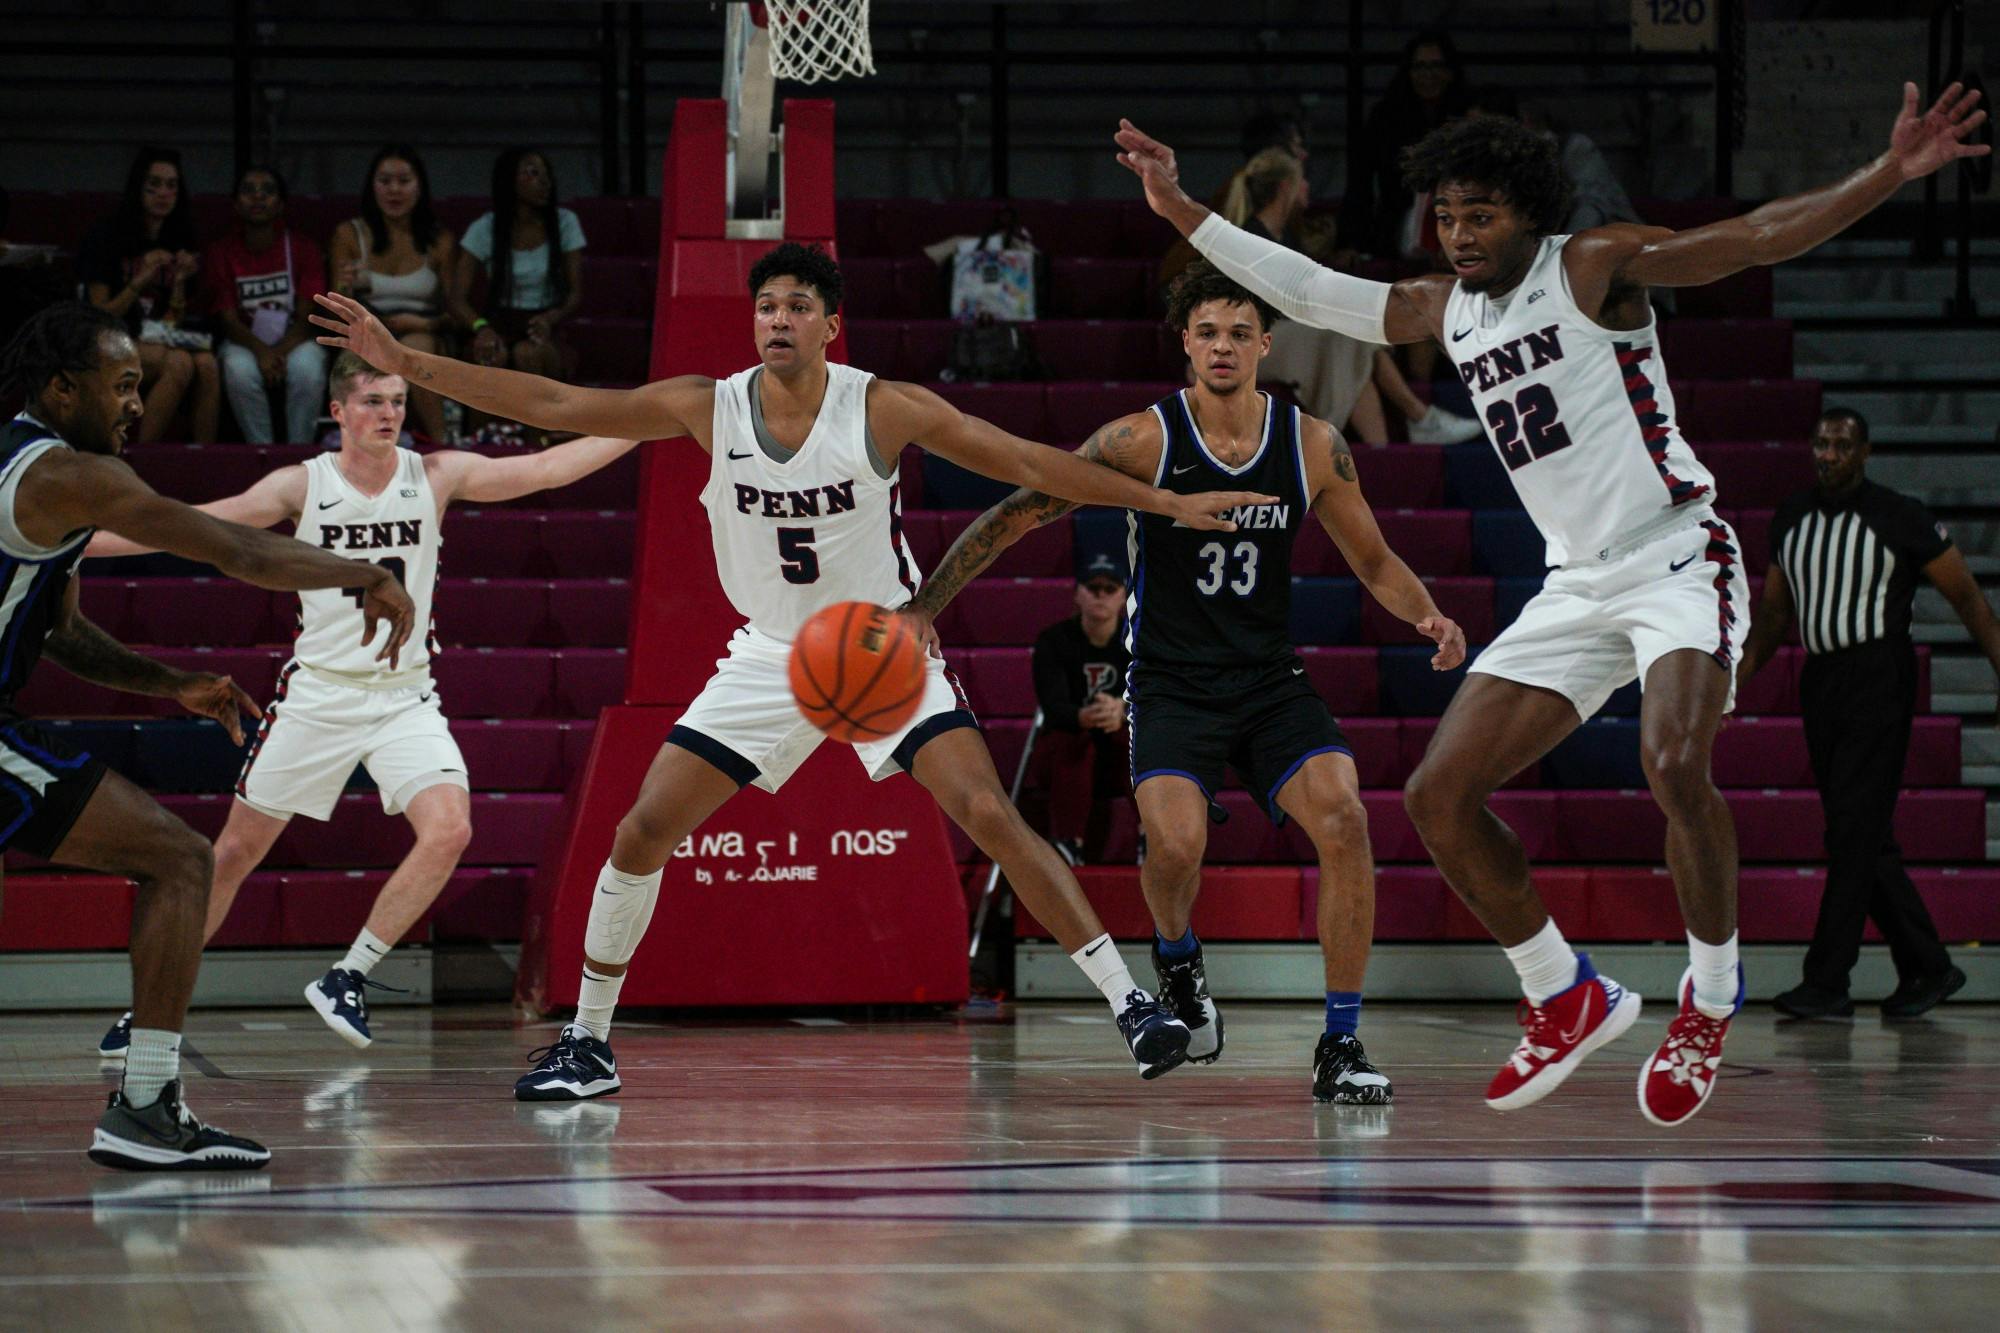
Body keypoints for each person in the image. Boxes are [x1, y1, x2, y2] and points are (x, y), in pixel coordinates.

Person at [1114, 77, 1989, 1126]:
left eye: (1478, 213)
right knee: (1438, 796)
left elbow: (1751, 238)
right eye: (1443, 215)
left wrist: (1890, 170)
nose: (1457, 233)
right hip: (1574, 581)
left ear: (1528, 209)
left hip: (1674, 553)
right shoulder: (1441, 306)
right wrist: (1181, 211)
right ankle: (1560, 989)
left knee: (1671, 758)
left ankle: (1708, 996)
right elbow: (1302, 289)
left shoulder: (1592, 267)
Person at [311, 241, 1278, 1095]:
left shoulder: (882, 407)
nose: (779, 319)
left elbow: (1025, 459)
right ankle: (588, 1041)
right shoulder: (708, 405)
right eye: (766, 306)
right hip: (771, 656)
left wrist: (1157, 502)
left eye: (798, 307)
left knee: (989, 813)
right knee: (642, 828)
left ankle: (1133, 1006)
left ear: (831, 326)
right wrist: (409, 364)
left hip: (876, 648)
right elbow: (557, 401)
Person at [911, 263, 1467, 1103]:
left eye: (1240, 332)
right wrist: (928, 603)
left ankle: (1342, 1042)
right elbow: (1025, 507)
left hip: (1268, 680)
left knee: (1347, 818)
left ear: (1265, 345)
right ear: (1185, 343)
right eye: (1208, 331)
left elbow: (1375, 558)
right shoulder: (1143, 439)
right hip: (1169, 683)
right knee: (1174, 846)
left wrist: (1426, 614)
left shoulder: (1313, 442)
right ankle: (1177, 958)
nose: (1223, 346)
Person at [90, 351, 640, 1055]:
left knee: (450, 829)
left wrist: (644, 423)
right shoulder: (303, 484)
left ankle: (349, 975)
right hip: (317, 695)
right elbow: (198, 525)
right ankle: (147, 1011)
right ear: (339, 412)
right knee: (230, 853)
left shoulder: (436, 474)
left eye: (399, 402)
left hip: (405, 697)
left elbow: (547, 469)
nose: (389, 415)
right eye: (374, 402)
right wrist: (80, 546)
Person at [0, 302, 414, 1169]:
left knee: (179, 858)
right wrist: (364, 571)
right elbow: (239, 551)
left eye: (139, 388)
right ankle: (146, 1104)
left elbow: (60, 631)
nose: (135, 406)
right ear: (59, 388)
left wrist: (168, 683)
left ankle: (147, 1104)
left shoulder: (35, 468)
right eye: (119, 387)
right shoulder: (71, 475)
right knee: (183, 859)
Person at [1740, 407, 2000, 1020]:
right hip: (1821, 681)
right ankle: (1929, 967)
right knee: (1862, 837)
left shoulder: (1900, 516)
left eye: (1841, 445)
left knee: (1852, 831)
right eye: (1821, 443)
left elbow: (1968, 600)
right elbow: (1774, 618)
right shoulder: (1792, 517)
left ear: (1865, 452)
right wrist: (1734, 686)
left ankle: (1827, 981)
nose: (1828, 454)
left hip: (1880, 678)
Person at [1222, 149, 1479, 447]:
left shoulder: (1285, 235)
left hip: (1285, 332)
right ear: (1285, 188)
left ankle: (1383, 453)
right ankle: (1419, 419)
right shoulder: (1250, 237)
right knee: (1344, 334)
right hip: (1254, 341)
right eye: (1302, 180)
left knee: (1351, 346)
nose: (1307, 187)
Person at [79, 146, 219, 444]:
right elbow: (100, 314)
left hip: (154, 339)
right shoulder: (106, 236)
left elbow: (171, 323)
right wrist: (140, 280)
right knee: (179, 363)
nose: (163, 193)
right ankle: (140, 457)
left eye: (171, 185)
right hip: (106, 339)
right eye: (154, 184)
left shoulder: (180, 237)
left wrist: (179, 282)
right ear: (137, 188)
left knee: (206, 364)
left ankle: (204, 458)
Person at [328, 145, 466, 443]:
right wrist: (344, 288)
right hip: (365, 329)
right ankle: (356, 445)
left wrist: (420, 324)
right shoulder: (349, 234)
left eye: (404, 181)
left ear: (420, 187)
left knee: (417, 350)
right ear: (371, 187)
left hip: (424, 330)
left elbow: (456, 311)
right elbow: (335, 306)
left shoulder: (440, 240)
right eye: (385, 181)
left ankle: (441, 444)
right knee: (356, 354)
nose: (394, 190)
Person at [203, 165, 329, 445]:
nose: (258, 197)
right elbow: (228, 319)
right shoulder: (220, 252)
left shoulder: (303, 249)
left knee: (307, 370)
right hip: (244, 341)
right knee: (238, 370)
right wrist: (261, 352)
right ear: (235, 204)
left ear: (281, 204)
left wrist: (277, 353)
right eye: (248, 191)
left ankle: (300, 452)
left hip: (294, 339)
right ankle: (262, 452)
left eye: (268, 191)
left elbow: (308, 317)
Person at [1030, 549, 1132, 865]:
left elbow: (1157, 699)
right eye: (1093, 588)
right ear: (1077, 594)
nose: (1101, 596)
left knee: (1140, 739)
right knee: (1074, 741)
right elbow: (1054, 707)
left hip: (1117, 757)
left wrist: (1124, 711)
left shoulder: (1139, 644)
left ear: (1124, 596)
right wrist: (1084, 716)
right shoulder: (1054, 641)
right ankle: (1067, 844)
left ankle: (1154, 838)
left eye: (1110, 589)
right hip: (1066, 755)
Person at [1337, 29, 1471, 261]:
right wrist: (1350, 242)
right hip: (1393, 238)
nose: (1428, 75)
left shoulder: (1467, 118)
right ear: (1408, 72)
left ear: (1450, 72)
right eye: (1419, 67)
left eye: (1436, 66)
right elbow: (1361, 184)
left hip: (1458, 236)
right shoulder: (1385, 117)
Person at [454, 147, 585, 382]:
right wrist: (481, 328)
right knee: (491, 355)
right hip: (499, 320)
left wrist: (550, 318)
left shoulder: (565, 222)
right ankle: (486, 421)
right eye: (533, 173)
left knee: (530, 354)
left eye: (547, 174)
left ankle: (537, 421)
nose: (545, 182)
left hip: (548, 319)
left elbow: (575, 294)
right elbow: (457, 299)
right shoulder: (485, 228)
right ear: (509, 180)